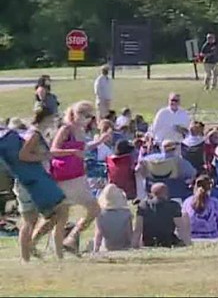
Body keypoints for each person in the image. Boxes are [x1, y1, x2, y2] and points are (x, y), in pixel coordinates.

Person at [2, 110, 68, 262]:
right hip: (34, 182)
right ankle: (31, 246)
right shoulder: (34, 134)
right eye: (53, 118)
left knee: (30, 220)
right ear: (46, 118)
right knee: (59, 212)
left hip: (24, 181)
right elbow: (23, 156)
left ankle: (26, 257)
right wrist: (46, 156)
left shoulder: (27, 134)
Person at [48, 101, 103, 254]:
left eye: (90, 116)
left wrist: (99, 142)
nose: (87, 119)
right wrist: (72, 152)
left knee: (94, 209)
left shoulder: (81, 131)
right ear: (75, 114)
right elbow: (53, 150)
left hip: (79, 175)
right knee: (61, 217)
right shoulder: (66, 129)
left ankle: (72, 237)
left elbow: (84, 149)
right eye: (85, 115)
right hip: (64, 176)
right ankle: (58, 253)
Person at [134, 183, 190, 248]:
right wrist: (187, 243)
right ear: (166, 193)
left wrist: (134, 245)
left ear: (152, 193)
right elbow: (180, 227)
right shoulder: (174, 206)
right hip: (168, 242)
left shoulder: (143, 205)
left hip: (148, 242)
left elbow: (138, 229)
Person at [92, 184, 134, 252]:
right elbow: (130, 234)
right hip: (124, 246)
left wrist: (95, 250)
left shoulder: (100, 215)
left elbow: (98, 235)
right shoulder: (126, 213)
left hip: (108, 247)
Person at [182, 175, 218, 240]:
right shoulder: (215, 203)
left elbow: (183, 224)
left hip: (192, 236)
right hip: (212, 236)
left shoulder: (187, 202)